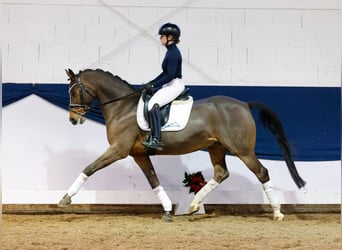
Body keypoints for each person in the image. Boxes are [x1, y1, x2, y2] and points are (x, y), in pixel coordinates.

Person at [141, 23, 185, 150]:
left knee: (153, 105)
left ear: (170, 37)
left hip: (174, 85)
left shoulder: (173, 53)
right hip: (169, 84)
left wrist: (154, 84)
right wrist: (150, 83)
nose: (160, 38)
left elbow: (170, 75)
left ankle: (156, 139)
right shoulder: (170, 51)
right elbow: (164, 73)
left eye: (162, 36)